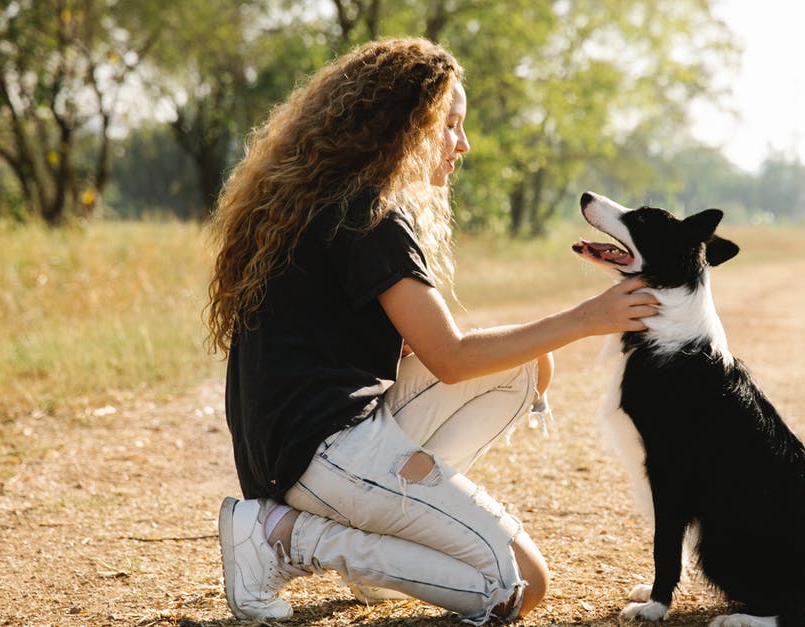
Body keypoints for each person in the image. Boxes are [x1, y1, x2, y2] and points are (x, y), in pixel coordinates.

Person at [204, 37, 658, 624]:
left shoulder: (325, 200)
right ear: (402, 127)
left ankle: (377, 533)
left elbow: (439, 351)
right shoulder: (370, 216)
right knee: (520, 586)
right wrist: (586, 318)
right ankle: (287, 538)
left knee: (526, 368)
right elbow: (448, 357)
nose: (461, 144)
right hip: (321, 457)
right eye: (449, 125)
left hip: (300, 449)